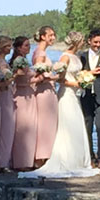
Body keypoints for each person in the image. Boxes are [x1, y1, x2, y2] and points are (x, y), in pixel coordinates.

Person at [20, 32, 100, 179]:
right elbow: (61, 80)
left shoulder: (76, 56)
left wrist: (88, 74)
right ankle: (66, 159)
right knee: (68, 125)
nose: (83, 43)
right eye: (82, 41)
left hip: (75, 95)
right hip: (66, 94)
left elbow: (76, 74)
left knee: (76, 124)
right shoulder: (65, 57)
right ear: (77, 42)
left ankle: (79, 160)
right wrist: (78, 83)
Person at [77, 28, 100, 169]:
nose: (97, 45)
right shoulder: (81, 56)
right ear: (89, 41)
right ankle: (89, 156)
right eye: (95, 42)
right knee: (87, 127)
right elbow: (78, 75)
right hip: (87, 96)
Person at [10, 36, 43, 171]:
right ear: (19, 48)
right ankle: (21, 161)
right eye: (26, 46)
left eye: (29, 45)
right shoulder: (20, 61)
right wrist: (41, 78)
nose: (29, 48)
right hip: (23, 95)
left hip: (27, 94)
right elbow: (23, 80)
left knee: (28, 128)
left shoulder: (22, 60)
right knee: (24, 128)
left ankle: (25, 159)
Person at [32, 26, 59, 168]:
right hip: (44, 92)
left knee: (47, 124)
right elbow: (40, 75)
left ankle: (43, 156)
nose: (53, 38)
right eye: (51, 35)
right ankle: (41, 157)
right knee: (44, 124)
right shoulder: (40, 53)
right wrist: (57, 77)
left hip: (47, 90)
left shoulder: (40, 52)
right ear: (43, 36)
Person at [0, 36, 16, 172]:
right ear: (1, 47)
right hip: (3, 94)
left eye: (10, 46)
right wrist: (14, 76)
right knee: (5, 128)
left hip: (7, 93)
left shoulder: (2, 61)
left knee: (7, 127)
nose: (10, 49)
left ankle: (4, 159)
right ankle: (2, 162)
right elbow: (1, 82)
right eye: (7, 46)